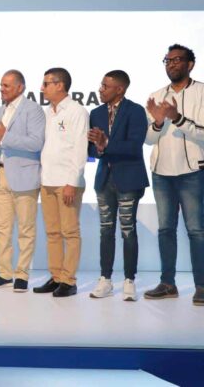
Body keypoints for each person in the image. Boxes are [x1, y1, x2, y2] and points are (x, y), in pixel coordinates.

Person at [144, 44, 204, 306]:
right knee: (165, 230)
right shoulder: (157, 95)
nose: (171, 64)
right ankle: (168, 284)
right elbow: (148, 139)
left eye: (177, 60)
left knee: (197, 231)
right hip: (162, 174)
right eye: (167, 60)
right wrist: (158, 122)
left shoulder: (202, 92)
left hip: (193, 172)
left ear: (190, 64)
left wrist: (177, 118)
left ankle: (201, 286)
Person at [88, 70, 148, 301]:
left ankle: (129, 280)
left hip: (129, 179)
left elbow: (134, 146)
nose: (100, 89)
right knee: (105, 230)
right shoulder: (96, 113)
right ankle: (105, 279)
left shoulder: (135, 111)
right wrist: (99, 147)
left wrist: (106, 143)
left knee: (128, 230)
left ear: (119, 89)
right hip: (104, 179)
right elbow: (92, 149)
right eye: (101, 85)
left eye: (105, 86)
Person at [0, 70, 45, 293]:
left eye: (7, 86)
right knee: (2, 228)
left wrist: (4, 136)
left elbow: (36, 143)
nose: (2, 89)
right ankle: (5, 273)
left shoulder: (33, 109)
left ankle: (22, 275)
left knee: (26, 228)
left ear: (20, 87)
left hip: (24, 176)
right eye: (1, 85)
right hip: (1, 175)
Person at [33, 68, 88, 297]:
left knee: (70, 232)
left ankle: (69, 280)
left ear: (60, 85)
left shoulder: (77, 111)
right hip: (47, 180)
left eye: (46, 83)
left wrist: (72, 182)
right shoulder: (47, 112)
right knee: (53, 233)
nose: (42, 88)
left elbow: (80, 149)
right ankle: (56, 277)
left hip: (67, 182)